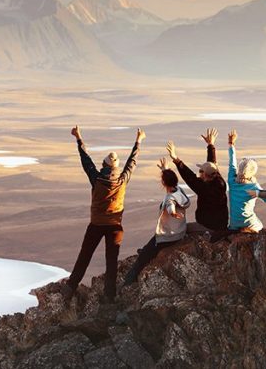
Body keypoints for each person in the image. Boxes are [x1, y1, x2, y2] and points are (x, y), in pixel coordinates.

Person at [62, 125, 142, 302]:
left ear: (104, 165)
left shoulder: (96, 179)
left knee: (85, 256)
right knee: (111, 261)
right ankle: (109, 296)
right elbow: (131, 163)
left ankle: (70, 287)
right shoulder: (122, 180)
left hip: (96, 225)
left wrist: (79, 138)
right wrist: (138, 142)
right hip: (115, 227)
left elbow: (86, 160)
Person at [122, 158, 191, 286]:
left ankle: (128, 282)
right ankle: (145, 250)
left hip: (169, 236)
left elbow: (170, 206)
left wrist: (173, 213)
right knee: (148, 246)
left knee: (142, 258)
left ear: (164, 183)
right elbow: (171, 183)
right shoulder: (179, 191)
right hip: (180, 231)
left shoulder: (170, 197)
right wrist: (164, 169)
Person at [226, 129, 266, 232]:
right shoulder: (253, 187)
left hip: (234, 225)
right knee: (260, 226)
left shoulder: (232, 181)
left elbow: (232, 164)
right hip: (250, 223)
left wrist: (231, 144)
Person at [166, 129, 228, 233]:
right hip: (221, 223)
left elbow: (190, 177)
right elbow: (211, 164)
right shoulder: (219, 181)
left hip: (208, 226)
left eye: (200, 171)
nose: (199, 173)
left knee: (179, 231)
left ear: (205, 175)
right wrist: (210, 145)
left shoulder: (204, 188)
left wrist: (176, 160)